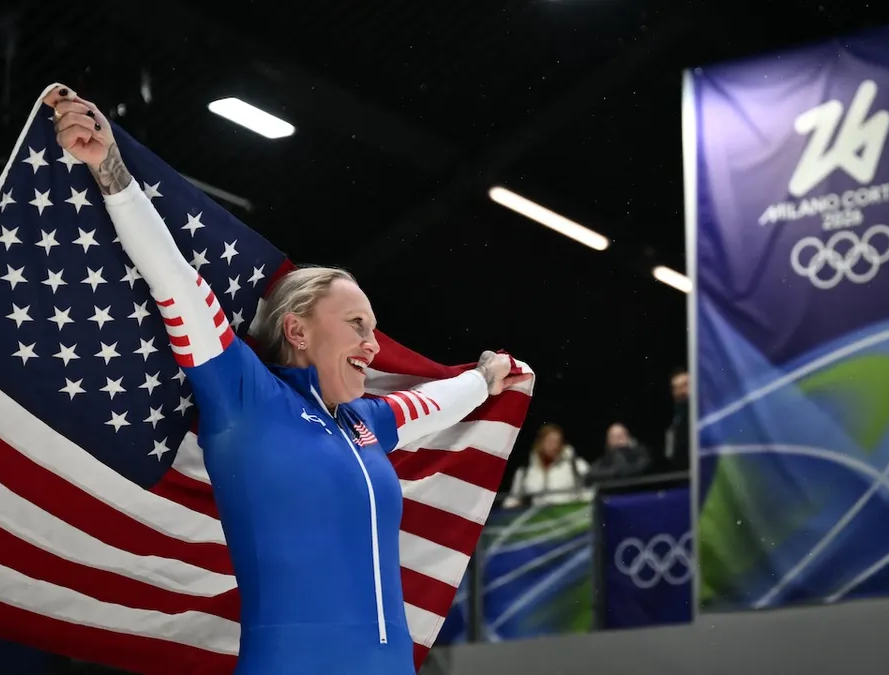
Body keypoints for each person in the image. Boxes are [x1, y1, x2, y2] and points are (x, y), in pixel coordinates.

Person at [48, 88, 531, 675]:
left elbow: (432, 403)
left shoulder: (365, 423)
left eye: (373, 330)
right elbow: (174, 280)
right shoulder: (246, 398)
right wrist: (110, 168)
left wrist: (484, 378)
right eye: (356, 325)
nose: (372, 346)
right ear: (298, 330)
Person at [504, 423, 590, 507]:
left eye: (558, 442)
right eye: (550, 441)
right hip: (539, 519)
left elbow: (590, 492)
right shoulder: (524, 472)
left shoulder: (576, 465)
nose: (555, 446)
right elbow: (512, 500)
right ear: (540, 443)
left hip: (570, 517)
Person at [584, 422, 651, 485]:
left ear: (628, 436)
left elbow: (640, 468)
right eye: (614, 436)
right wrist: (615, 472)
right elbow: (590, 475)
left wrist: (624, 450)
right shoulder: (604, 461)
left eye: (621, 435)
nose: (618, 439)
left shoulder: (640, 454)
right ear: (608, 441)